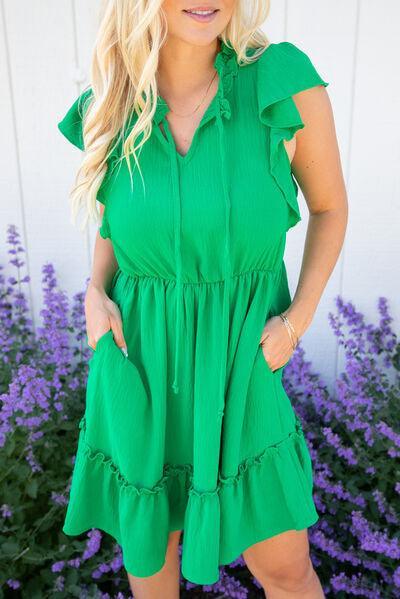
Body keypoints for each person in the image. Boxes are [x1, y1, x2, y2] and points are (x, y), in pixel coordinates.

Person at [57, 1, 347, 597]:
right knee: (151, 566)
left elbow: (330, 208)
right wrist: (93, 289)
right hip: (139, 361)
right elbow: (122, 224)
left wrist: (297, 321)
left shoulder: (279, 81)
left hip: (243, 366)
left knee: (287, 570)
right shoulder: (112, 104)